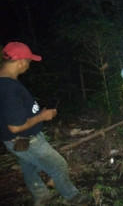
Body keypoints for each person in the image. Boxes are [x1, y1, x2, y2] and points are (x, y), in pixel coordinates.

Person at [0, 42, 92, 206]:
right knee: (58, 165)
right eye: (29, 62)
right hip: (26, 140)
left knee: (30, 167)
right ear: (21, 62)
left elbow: (11, 113)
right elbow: (15, 126)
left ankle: (41, 197)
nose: (28, 66)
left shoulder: (4, 83)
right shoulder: (10, 89)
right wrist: (41, 116)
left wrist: (35, 113)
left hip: (15, 141)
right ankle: (72, 197)